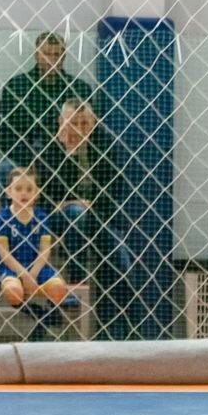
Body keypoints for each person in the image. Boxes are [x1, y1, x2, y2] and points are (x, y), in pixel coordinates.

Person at [34, 99, 135, 338]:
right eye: (73, 123)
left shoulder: (106, 144)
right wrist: (69, 154)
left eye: (85, 123)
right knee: (76, 215)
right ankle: (76, 282)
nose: (79, 129)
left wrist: (90, 206)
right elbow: (46, 197)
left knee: (120, 258)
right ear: (61, 122)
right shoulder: (47, 147)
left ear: (93, 122)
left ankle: (119, 331)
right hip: (58, 218)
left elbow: (113, 192)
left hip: (98, 216)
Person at [0, 31, 93, 187]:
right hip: (23, 157)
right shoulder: (16, 87)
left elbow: (88, 131)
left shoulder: (79, 89)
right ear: (36, 56)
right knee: (3, 169)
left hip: (64, 158)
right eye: (46, 54)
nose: (51, 60)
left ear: (63, 57)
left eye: (56, 55)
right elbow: (2, 132)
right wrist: (28, 159)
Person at [0, 167, 68, 323]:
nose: (24, 193)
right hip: (9, 268)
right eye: (18, 188)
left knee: (59, 289)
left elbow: (45, 251)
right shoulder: (1, 217)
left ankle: (49, 316)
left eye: (29, 189)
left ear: (37, 193)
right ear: (8, 192)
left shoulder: (41, 217)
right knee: (14, 292)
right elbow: (4, 254)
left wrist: (32, 274)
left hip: (36, 267)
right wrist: (24, 276)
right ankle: (36, 313)